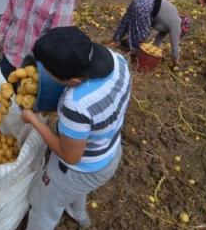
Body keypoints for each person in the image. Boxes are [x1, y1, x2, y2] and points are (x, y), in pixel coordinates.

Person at [22, 26, 131, 230]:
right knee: (74, 190)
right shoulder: (118, 60)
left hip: (78, 169)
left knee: (44, 207)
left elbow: (70, 157)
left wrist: (34, 120)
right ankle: (80, 217)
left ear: (73, 81)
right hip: (109, 152)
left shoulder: (76, 105)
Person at [111, 0, 190, 66]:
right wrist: (176, 62)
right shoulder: (177, 25)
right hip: (146, 6)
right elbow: (175, 47)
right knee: (142, 35)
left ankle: (115, 39)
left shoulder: (172, 19)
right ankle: (134, 57)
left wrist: (153, 51)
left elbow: (159, 38)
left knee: (127, 20)